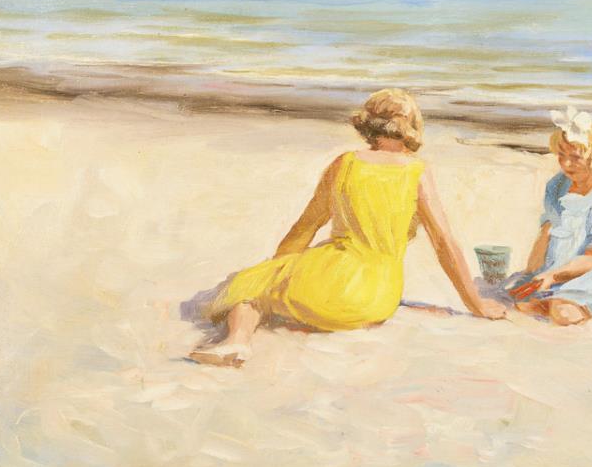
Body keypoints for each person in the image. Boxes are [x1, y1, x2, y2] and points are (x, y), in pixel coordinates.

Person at [189, 88, 505, 367]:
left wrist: (277, 271)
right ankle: (241, 337)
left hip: (326, 282)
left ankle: (237, 341)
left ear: (368, 124)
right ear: (411, 128)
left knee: (250, 290)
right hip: (377, 297)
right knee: (263, 286)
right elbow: (444, 242)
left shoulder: (346, 163)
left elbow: (306, 227)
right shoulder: (417, 172)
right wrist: (476, 304)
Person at [507, 107, 592, 325]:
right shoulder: (557, 185)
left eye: (576, 158)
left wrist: (554, 276)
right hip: (558, 268)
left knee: (563, 314)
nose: (566, 164)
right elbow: (547, 229)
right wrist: (533, 273)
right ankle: (554, 298)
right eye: (561, 155)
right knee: (522, 302)